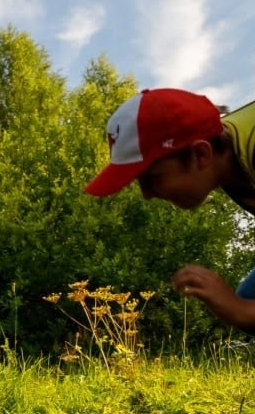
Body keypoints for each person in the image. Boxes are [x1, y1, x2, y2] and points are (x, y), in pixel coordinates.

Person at [85, 88, 255, 331]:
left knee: (246, 305)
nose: (147, 195)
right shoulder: (224, 153)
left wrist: (238, 310)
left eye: (152, 177)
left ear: (200, 154)